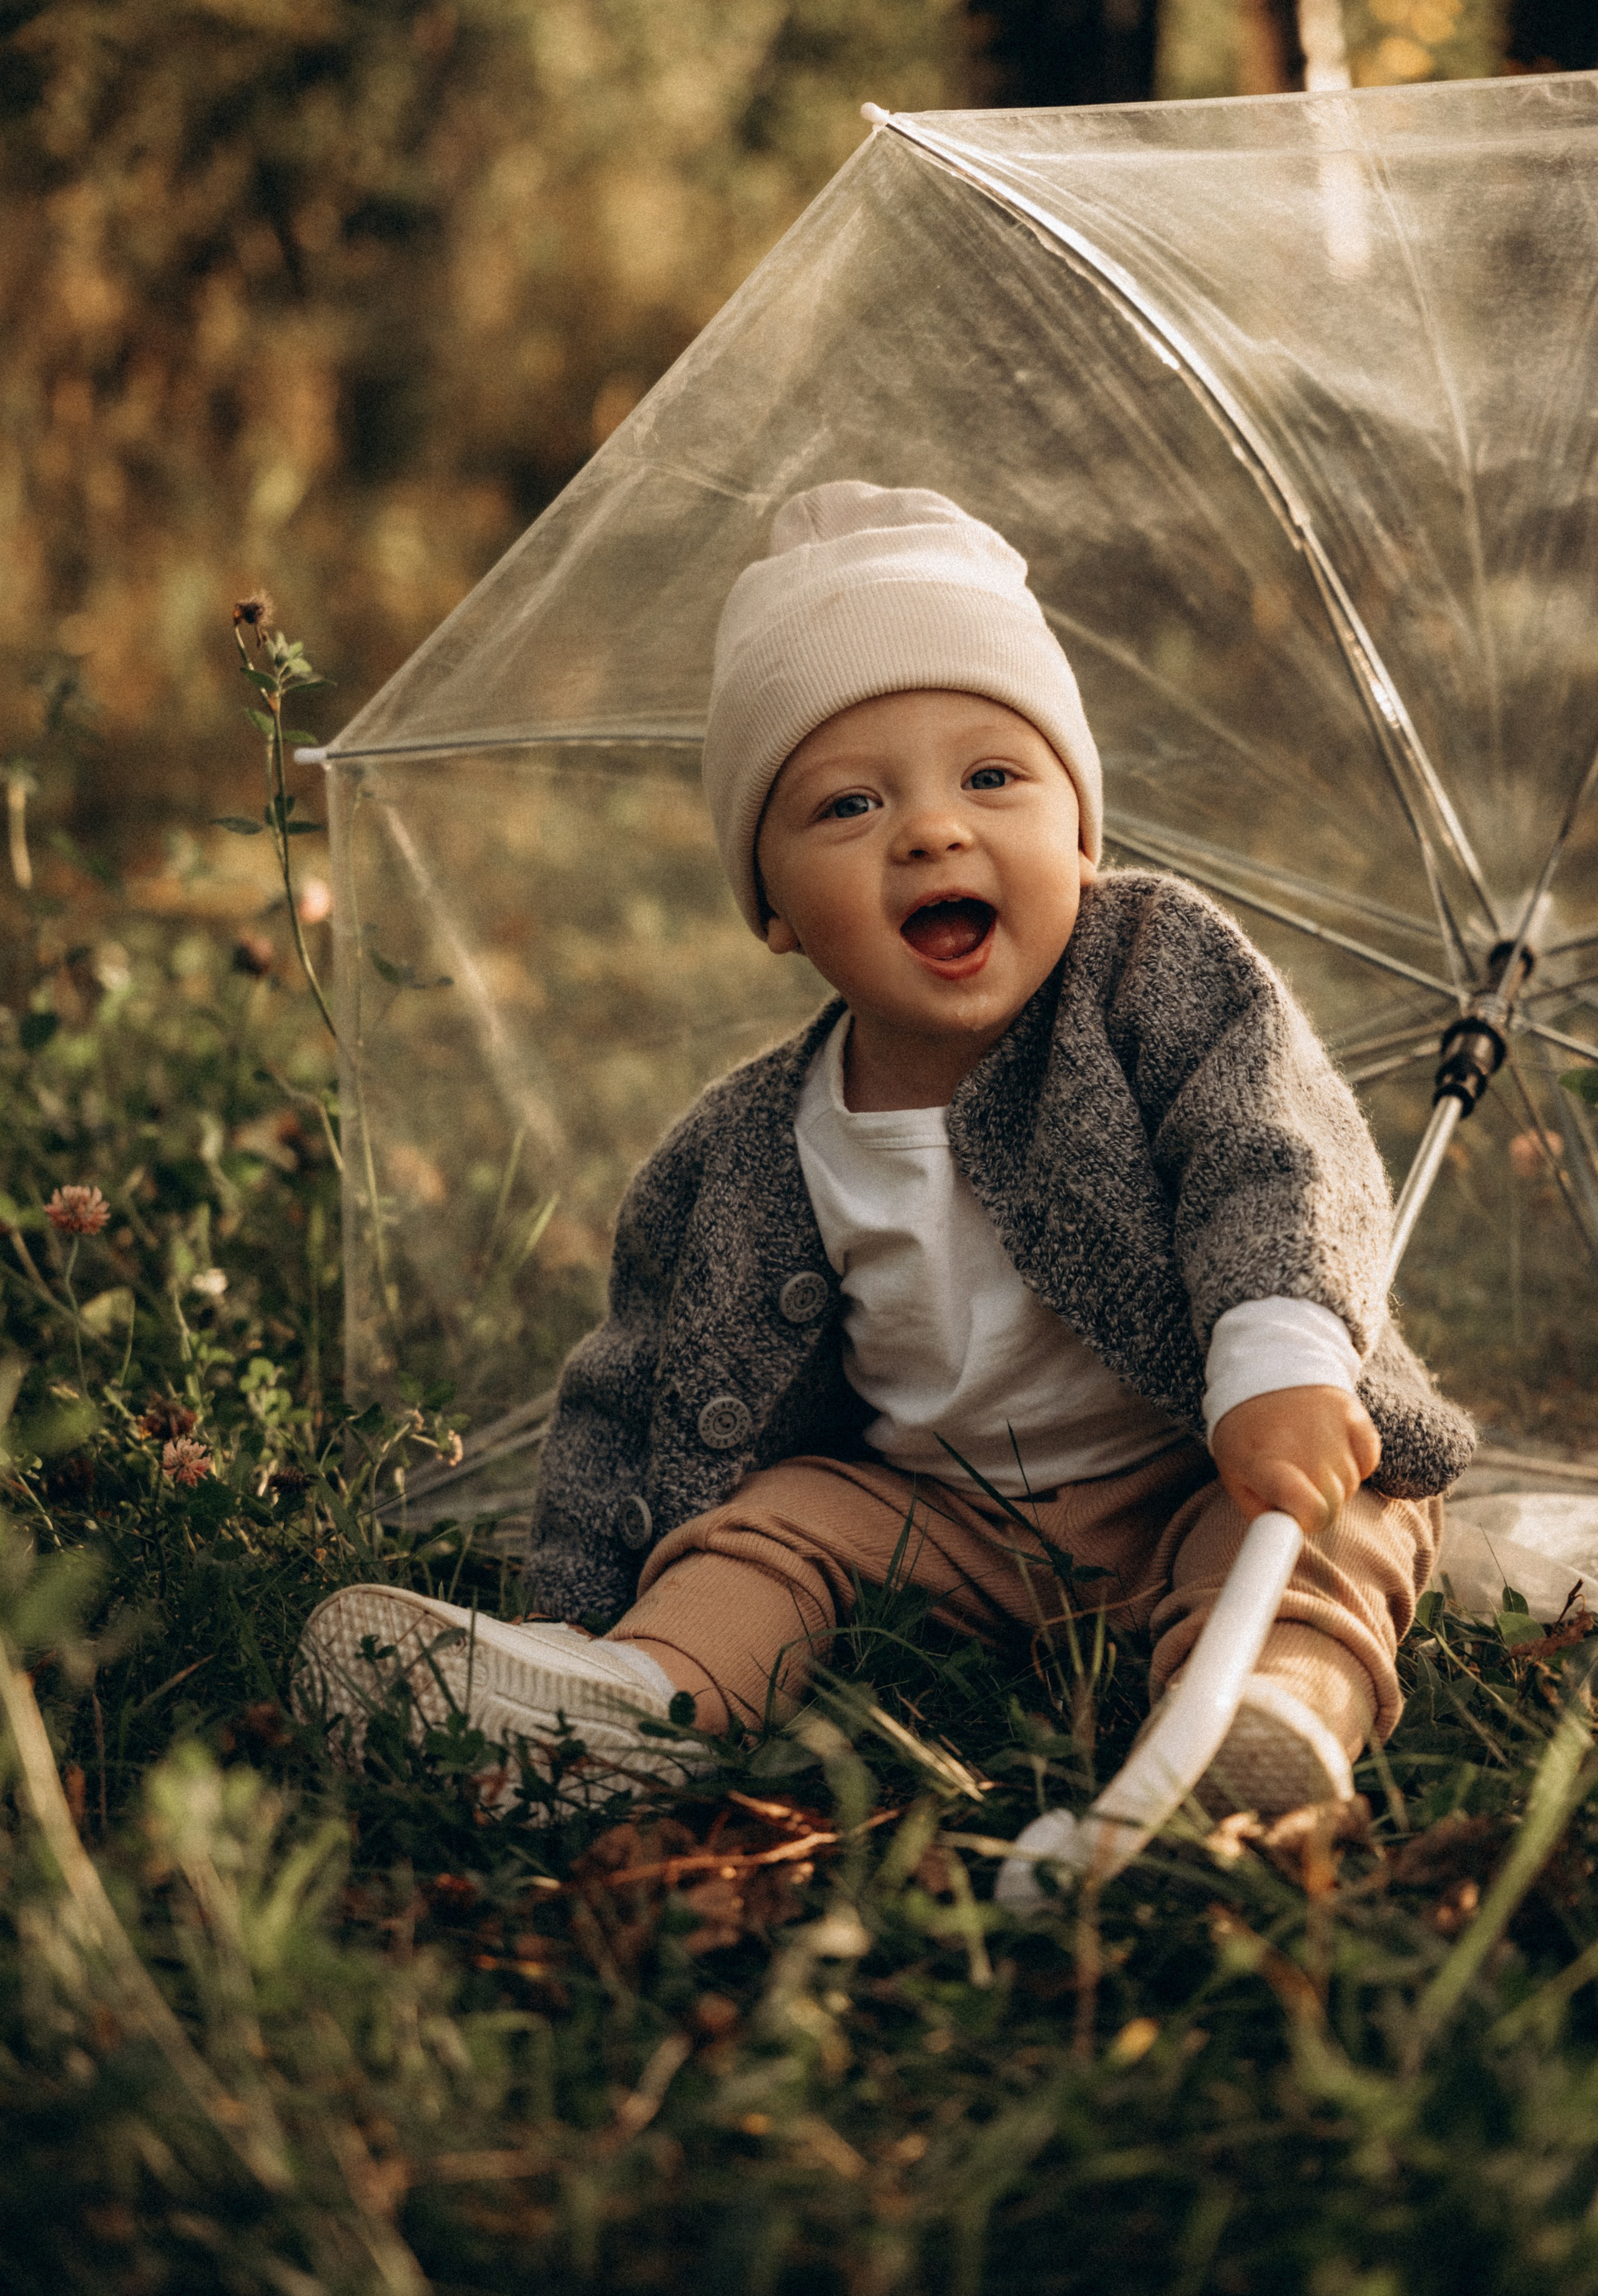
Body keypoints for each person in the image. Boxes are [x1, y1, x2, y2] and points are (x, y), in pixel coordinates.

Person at [298, 483, 1472, 1818]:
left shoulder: (1153, 970)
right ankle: (621, 1697)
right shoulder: (742, 1147)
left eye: (990, 776)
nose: (928, 829)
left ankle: (1263, 1719)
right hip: (945, 1521)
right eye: (847, 806)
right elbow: (629, 1385)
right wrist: (572, 1595)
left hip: (1206, 1458)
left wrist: (1276, 1362)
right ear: (775, 909)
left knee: (1326, 1522)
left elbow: (1270, 1148)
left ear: (1079, 836)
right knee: (773, 1522)